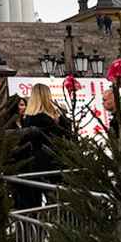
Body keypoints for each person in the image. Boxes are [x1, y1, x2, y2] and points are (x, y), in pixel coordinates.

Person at [16, 83, 72, 211]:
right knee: (56, 201)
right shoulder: (49, 120)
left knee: (35, 202)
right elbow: (65, 136)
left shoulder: (27, 119)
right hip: (51, 163)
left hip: (33, 164)